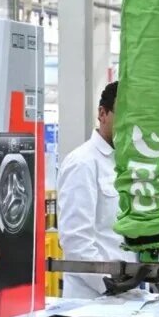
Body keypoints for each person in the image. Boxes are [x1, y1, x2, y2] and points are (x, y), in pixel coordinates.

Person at [57, 81, 135, 298]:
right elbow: (75, 240)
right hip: (94, 298)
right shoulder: (82, 163)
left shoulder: (127, 164)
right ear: (102, 113)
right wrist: (109, 284)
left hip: (129, 293)